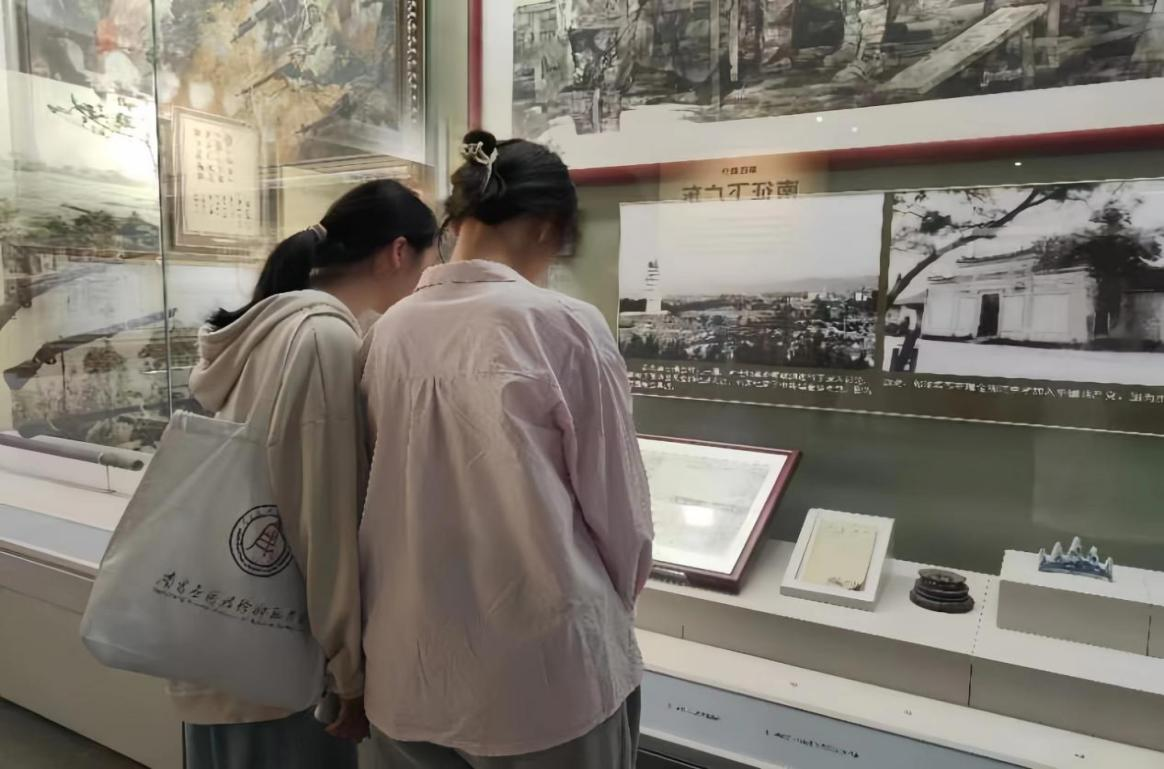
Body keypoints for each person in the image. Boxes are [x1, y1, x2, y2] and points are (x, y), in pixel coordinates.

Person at [360, 131, 655, 769]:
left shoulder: (387, 332)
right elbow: (620, 513)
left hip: (409, 664)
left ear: (459, 220)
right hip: (545, 672)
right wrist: (615, 615)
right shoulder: (564, 324)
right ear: (549, 227)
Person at [177, 179, 439, 769]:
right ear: (399, 253)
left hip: (226, 628)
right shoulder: (324, 338)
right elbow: (322, 523)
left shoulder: (269, 326)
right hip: (281, 652)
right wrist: (349, 673)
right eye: (431, 262)